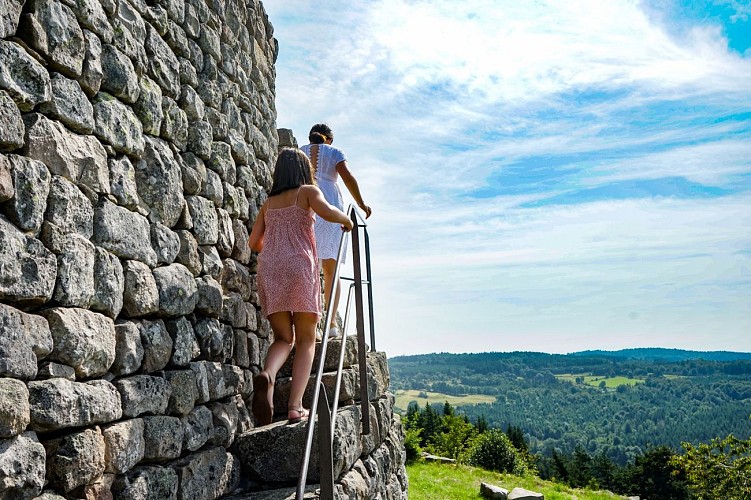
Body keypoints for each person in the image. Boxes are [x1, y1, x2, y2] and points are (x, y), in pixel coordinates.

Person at [249, 148, 354, 425]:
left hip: (271, 268)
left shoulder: (268, 203)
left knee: (284, 338)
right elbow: (328, 211)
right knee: (307, 339)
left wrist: (276, 244)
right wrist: (346, 220)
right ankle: (295, 406)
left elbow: (254, 244)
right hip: (299, 267)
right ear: (302, 170)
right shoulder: (307, 191)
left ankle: (268, 375)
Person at [300, 124, 372, 338]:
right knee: (331, 271)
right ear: (329, 139)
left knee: (308, 267)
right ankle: (330, 324)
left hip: (305, 206)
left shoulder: (300, 151)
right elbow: (347, 177)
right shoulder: (335, 152)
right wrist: (361, 204)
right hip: (330, 208)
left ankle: (307, 322)